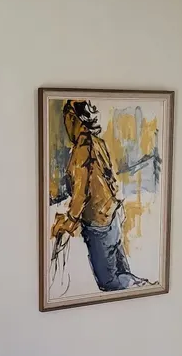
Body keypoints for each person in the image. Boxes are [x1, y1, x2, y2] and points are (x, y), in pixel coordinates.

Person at [51, 100, 148, 291]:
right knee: (122, 272)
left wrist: (69, 221)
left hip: (98, 223)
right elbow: (109, 178)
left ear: (72, 118)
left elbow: (81, 194)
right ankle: (144, 289)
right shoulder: (98, 143)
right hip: (111, 216)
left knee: (109, 282)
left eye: (66, 120)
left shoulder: (82, 149)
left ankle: (145, 289)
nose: (66, 126)